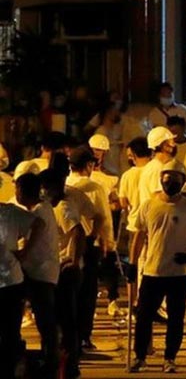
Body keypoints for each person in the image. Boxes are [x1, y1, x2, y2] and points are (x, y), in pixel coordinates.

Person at [128, 160, 186, 373]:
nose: (171, 183)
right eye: (167, 178)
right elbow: (139, 235)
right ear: (161, 179)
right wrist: (132, 263)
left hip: (179, 272)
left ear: (183, 182)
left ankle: (170, 358)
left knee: (176, 317)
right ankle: (140, 356)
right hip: (153, 270)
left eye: (176, 179)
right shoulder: (149, 204)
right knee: (144, 315)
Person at [41, 155, 98, 379]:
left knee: (65, 320)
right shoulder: (46, 206)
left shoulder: (63, 205)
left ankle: (68, 363)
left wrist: (74, 260)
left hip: (64, 271)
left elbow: (79, 231)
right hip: (51, 269)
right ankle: (59, 361)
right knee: (57, 320)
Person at [65, 146, 114, 351]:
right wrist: (107, 243)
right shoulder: (94, 187)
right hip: (89, 245)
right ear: (89, 165)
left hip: (64, 246)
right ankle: (84, 336)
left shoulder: (64, 185)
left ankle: (68, 336)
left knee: (68, 293)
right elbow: (104, 218)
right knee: (87, 292)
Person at [16, 173, 61, 375]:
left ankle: (51, 360)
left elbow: (38, 227)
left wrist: (23, 252)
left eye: (17, 189)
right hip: (40, 271)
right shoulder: (41, 208)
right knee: (44, 319)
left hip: (40, 272)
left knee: (45, 320)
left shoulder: (40, 211)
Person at [0, 189, 43, 378]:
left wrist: (26, 250)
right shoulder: (9, 212)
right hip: (11, 280)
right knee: (9, 333)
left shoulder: (10, 212)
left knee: (10, 334)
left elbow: (38, 224)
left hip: (10, 281)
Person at [118, 137, 151, 315]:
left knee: (133, 265)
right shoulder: (155, 170)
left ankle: (133, 304)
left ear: (133, 154)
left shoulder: (128, 175)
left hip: (134, 225)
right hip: (152, 225)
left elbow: (123, 202)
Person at [139, 126, 178, 205]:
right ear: (164, 146)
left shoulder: (156, 166)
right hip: (156, 215)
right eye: (171, 142)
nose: (174, 145)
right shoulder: (157, 168)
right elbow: (157, 196)